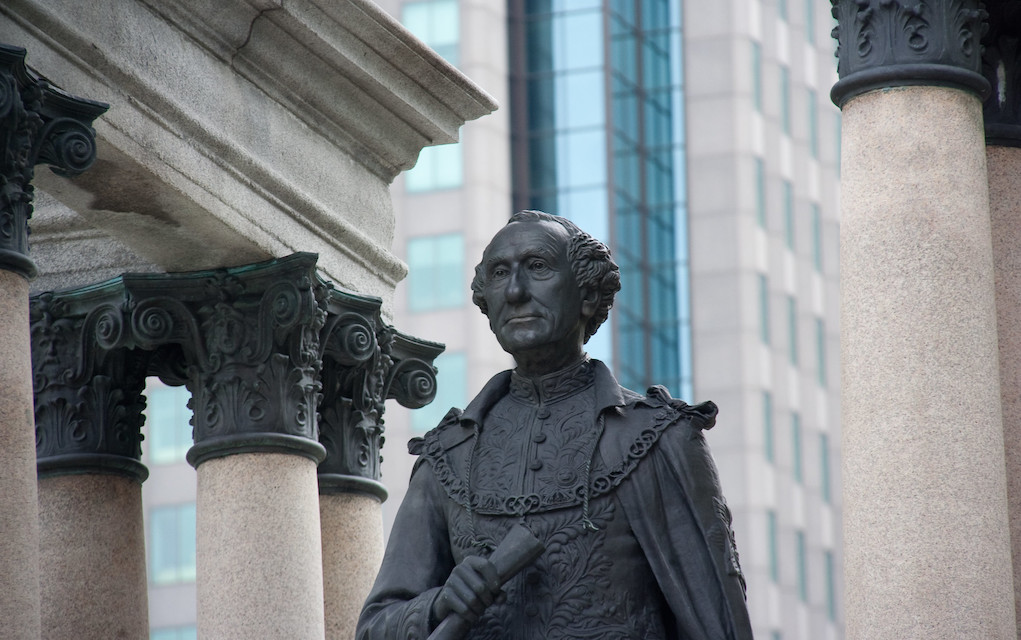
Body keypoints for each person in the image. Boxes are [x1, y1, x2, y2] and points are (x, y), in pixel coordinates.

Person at [357, 210, 753, 639]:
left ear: (586, 294)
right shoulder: (447, 457)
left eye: (538, 267)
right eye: (499, 274)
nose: (515, 291)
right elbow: (375, 627)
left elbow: (720, 624)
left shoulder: (660, 440)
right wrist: (439, 603)